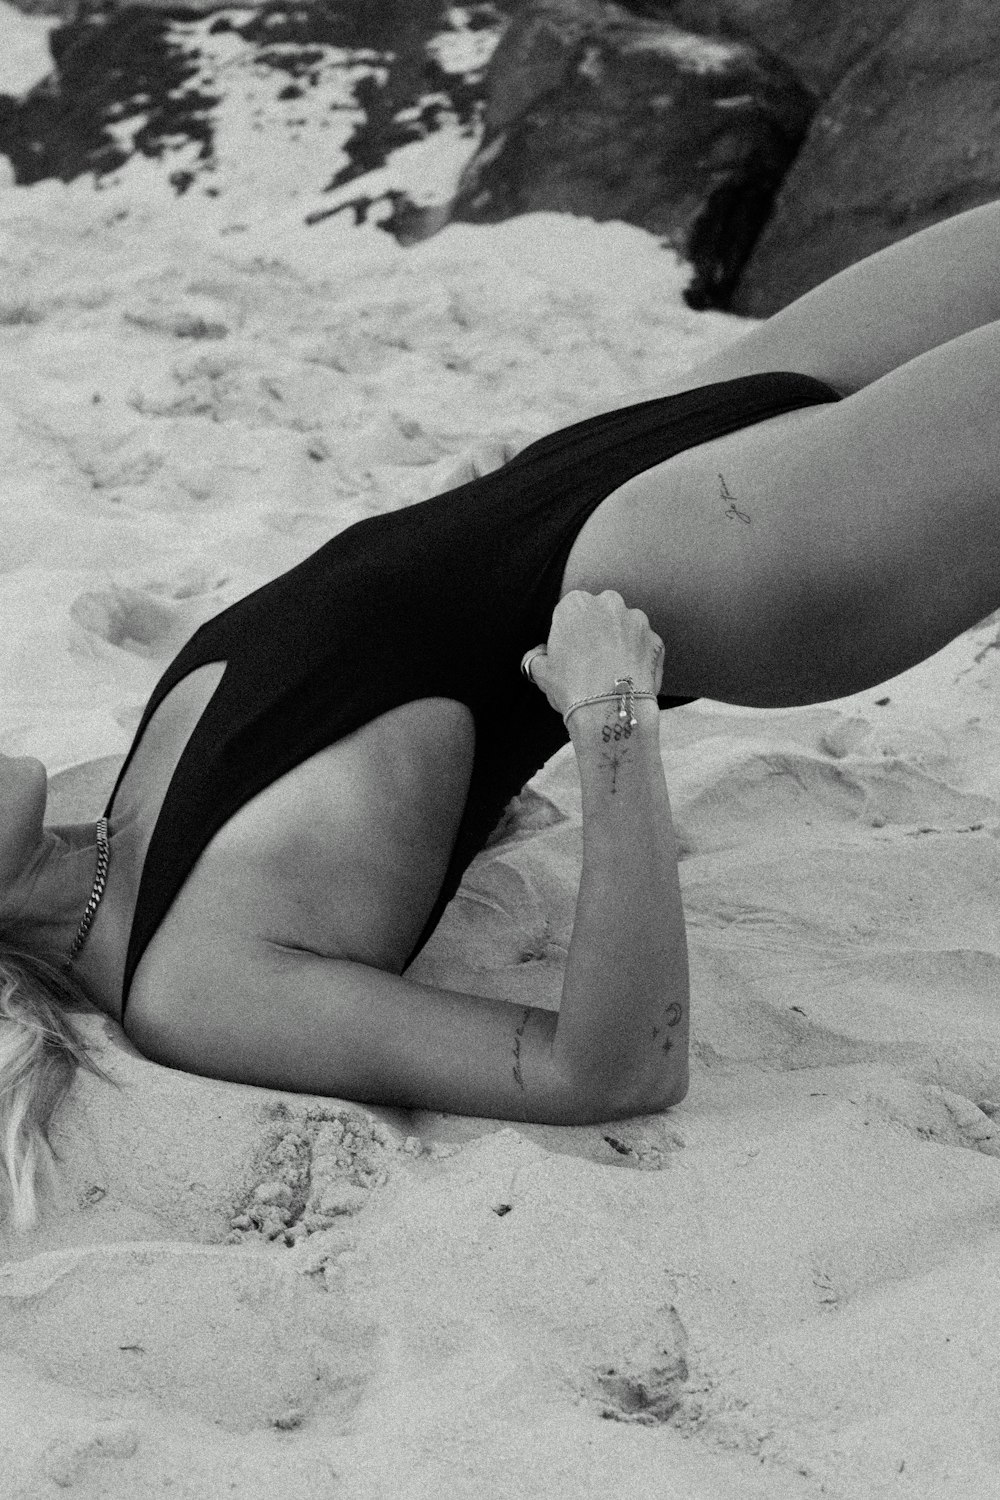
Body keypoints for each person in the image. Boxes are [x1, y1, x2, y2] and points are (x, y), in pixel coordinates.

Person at [3, 198, 1000, 1230]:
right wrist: (612, 718)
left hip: (625, 448)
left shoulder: (99, 813)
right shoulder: (199, 989)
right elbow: (607, 1070)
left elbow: (390, 728)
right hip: (717, 561)